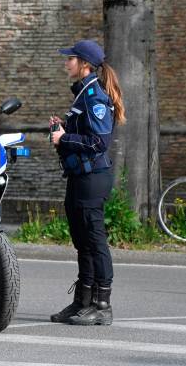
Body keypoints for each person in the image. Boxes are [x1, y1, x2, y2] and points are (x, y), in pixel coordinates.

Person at [48, 39, 126, 326]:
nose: (66, 62)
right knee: (82, 242)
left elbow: (99, 142)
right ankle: (82, 300)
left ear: (84, 65)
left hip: (93, 179)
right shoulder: (82, 94)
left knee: (95, 242)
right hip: (80, 178)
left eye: (70, 59)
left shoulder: (94, 96)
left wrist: (64, 137)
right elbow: (85, 133)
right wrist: (64, 129)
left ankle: (102, 305)